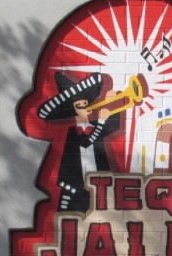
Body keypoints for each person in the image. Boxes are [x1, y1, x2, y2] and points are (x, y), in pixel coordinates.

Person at [38, 72, 120, 213]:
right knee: (67, 214)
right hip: (75, 184)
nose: (85, 107)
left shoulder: (94, 126)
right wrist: (100, 122)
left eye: (85, 104)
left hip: (97, 184)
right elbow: (86, 141)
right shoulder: (74, 132)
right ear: (73, 110)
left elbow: (114, 126)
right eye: (80, 105)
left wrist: (112, 101)